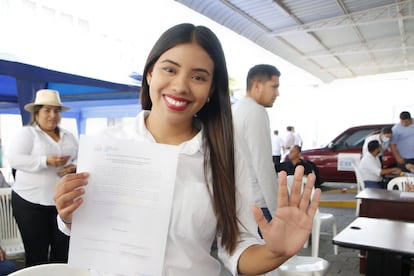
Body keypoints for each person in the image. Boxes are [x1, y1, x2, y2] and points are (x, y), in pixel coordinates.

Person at [53, 23, 321, 275]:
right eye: (169, 70)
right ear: (149, 73)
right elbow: (84, 228)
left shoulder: (224, 156)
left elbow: (237, 247)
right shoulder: (107, 144)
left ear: (211, 89)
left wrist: (276, 252)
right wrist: (67, 214)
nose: (181, 85)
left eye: (198, 77)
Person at [5, 89, 78, 267]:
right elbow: (14, 159)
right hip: (30, 203)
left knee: (63, 252)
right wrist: (46, 161)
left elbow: (79, 157)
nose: (52, 115)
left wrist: (73, 167)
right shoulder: (27, 134)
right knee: (36, 253)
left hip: (60, 204)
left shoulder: (69, 136)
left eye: (56, 111)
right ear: (36, 113)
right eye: (47, 110)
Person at [232, 64, 280, 224]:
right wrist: (277, 212)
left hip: (239, 200)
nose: (277, 93)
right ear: (257, 85)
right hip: (259, 204)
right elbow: (263, 165)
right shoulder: (256, 111)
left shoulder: (234, 110)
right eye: (274, 87)